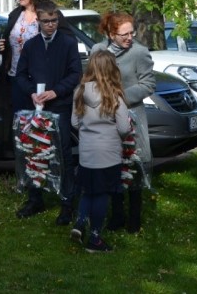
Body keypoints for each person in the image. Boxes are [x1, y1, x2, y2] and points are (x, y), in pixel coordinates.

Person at [14, 1, 82, 224]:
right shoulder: (31, 45)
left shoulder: (69, 43)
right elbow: (21, 75)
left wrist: (56, 92)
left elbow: (75, 74)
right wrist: (32, 92)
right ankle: (35, 198)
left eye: (54, 21)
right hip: (36, 106)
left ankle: (67, 202)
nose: (51, 25)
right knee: (34, 151)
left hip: (59, 105)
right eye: (46, 21)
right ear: (39, 22)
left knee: (62, 154)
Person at [92, 12, 155, 233]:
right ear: (110, 34)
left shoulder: (139, 52)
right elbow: (91, 80)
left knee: (134, 162)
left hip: (132, 115)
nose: (130, 37)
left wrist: (120, 99)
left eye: (132, 32)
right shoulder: (97, 51)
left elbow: (148, 83)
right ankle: (116, 215)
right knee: (113, 163)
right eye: (124, 34)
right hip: (105, 117)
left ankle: (135, 219)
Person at [71, 51, 131, 253]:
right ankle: (95, 238)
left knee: (88, 191)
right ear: (112, 69)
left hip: (87, 152)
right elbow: (123, 128)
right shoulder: (115, 96)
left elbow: (74, 122)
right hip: (108, 152)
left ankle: (80, 223)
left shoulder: (79, 92)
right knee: (103, 195)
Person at [0, 0, 74, 110]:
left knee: (42, 125)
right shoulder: (16, 15)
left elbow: (67, 41)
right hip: (16, 76)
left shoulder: (50, 15)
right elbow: (9, 41)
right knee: (20, 123)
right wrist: (2, 46)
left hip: (42, 81)